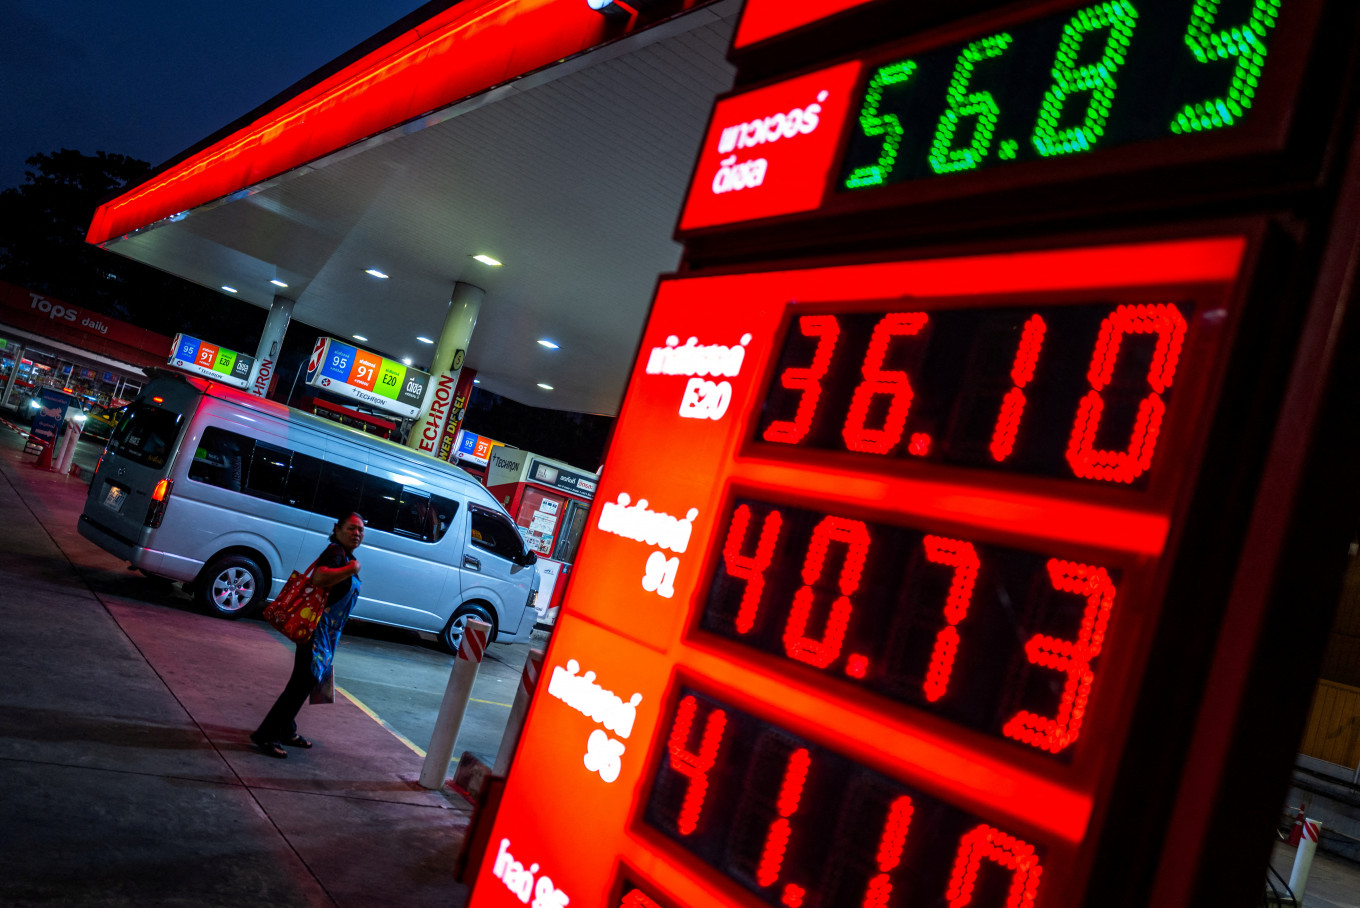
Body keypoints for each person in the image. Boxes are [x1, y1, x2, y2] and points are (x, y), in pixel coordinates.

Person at [250, 513, 364, 758]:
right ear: (338, 529)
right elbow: (319, 577)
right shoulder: (336, 554)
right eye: (352, 528)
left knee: (305, 682)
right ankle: (266, 735)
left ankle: (286, 729)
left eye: (360, 530)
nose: (357, 533)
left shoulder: (345, 555)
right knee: (301, 683)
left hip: (326, 635)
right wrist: (351, 569)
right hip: (314, 630)